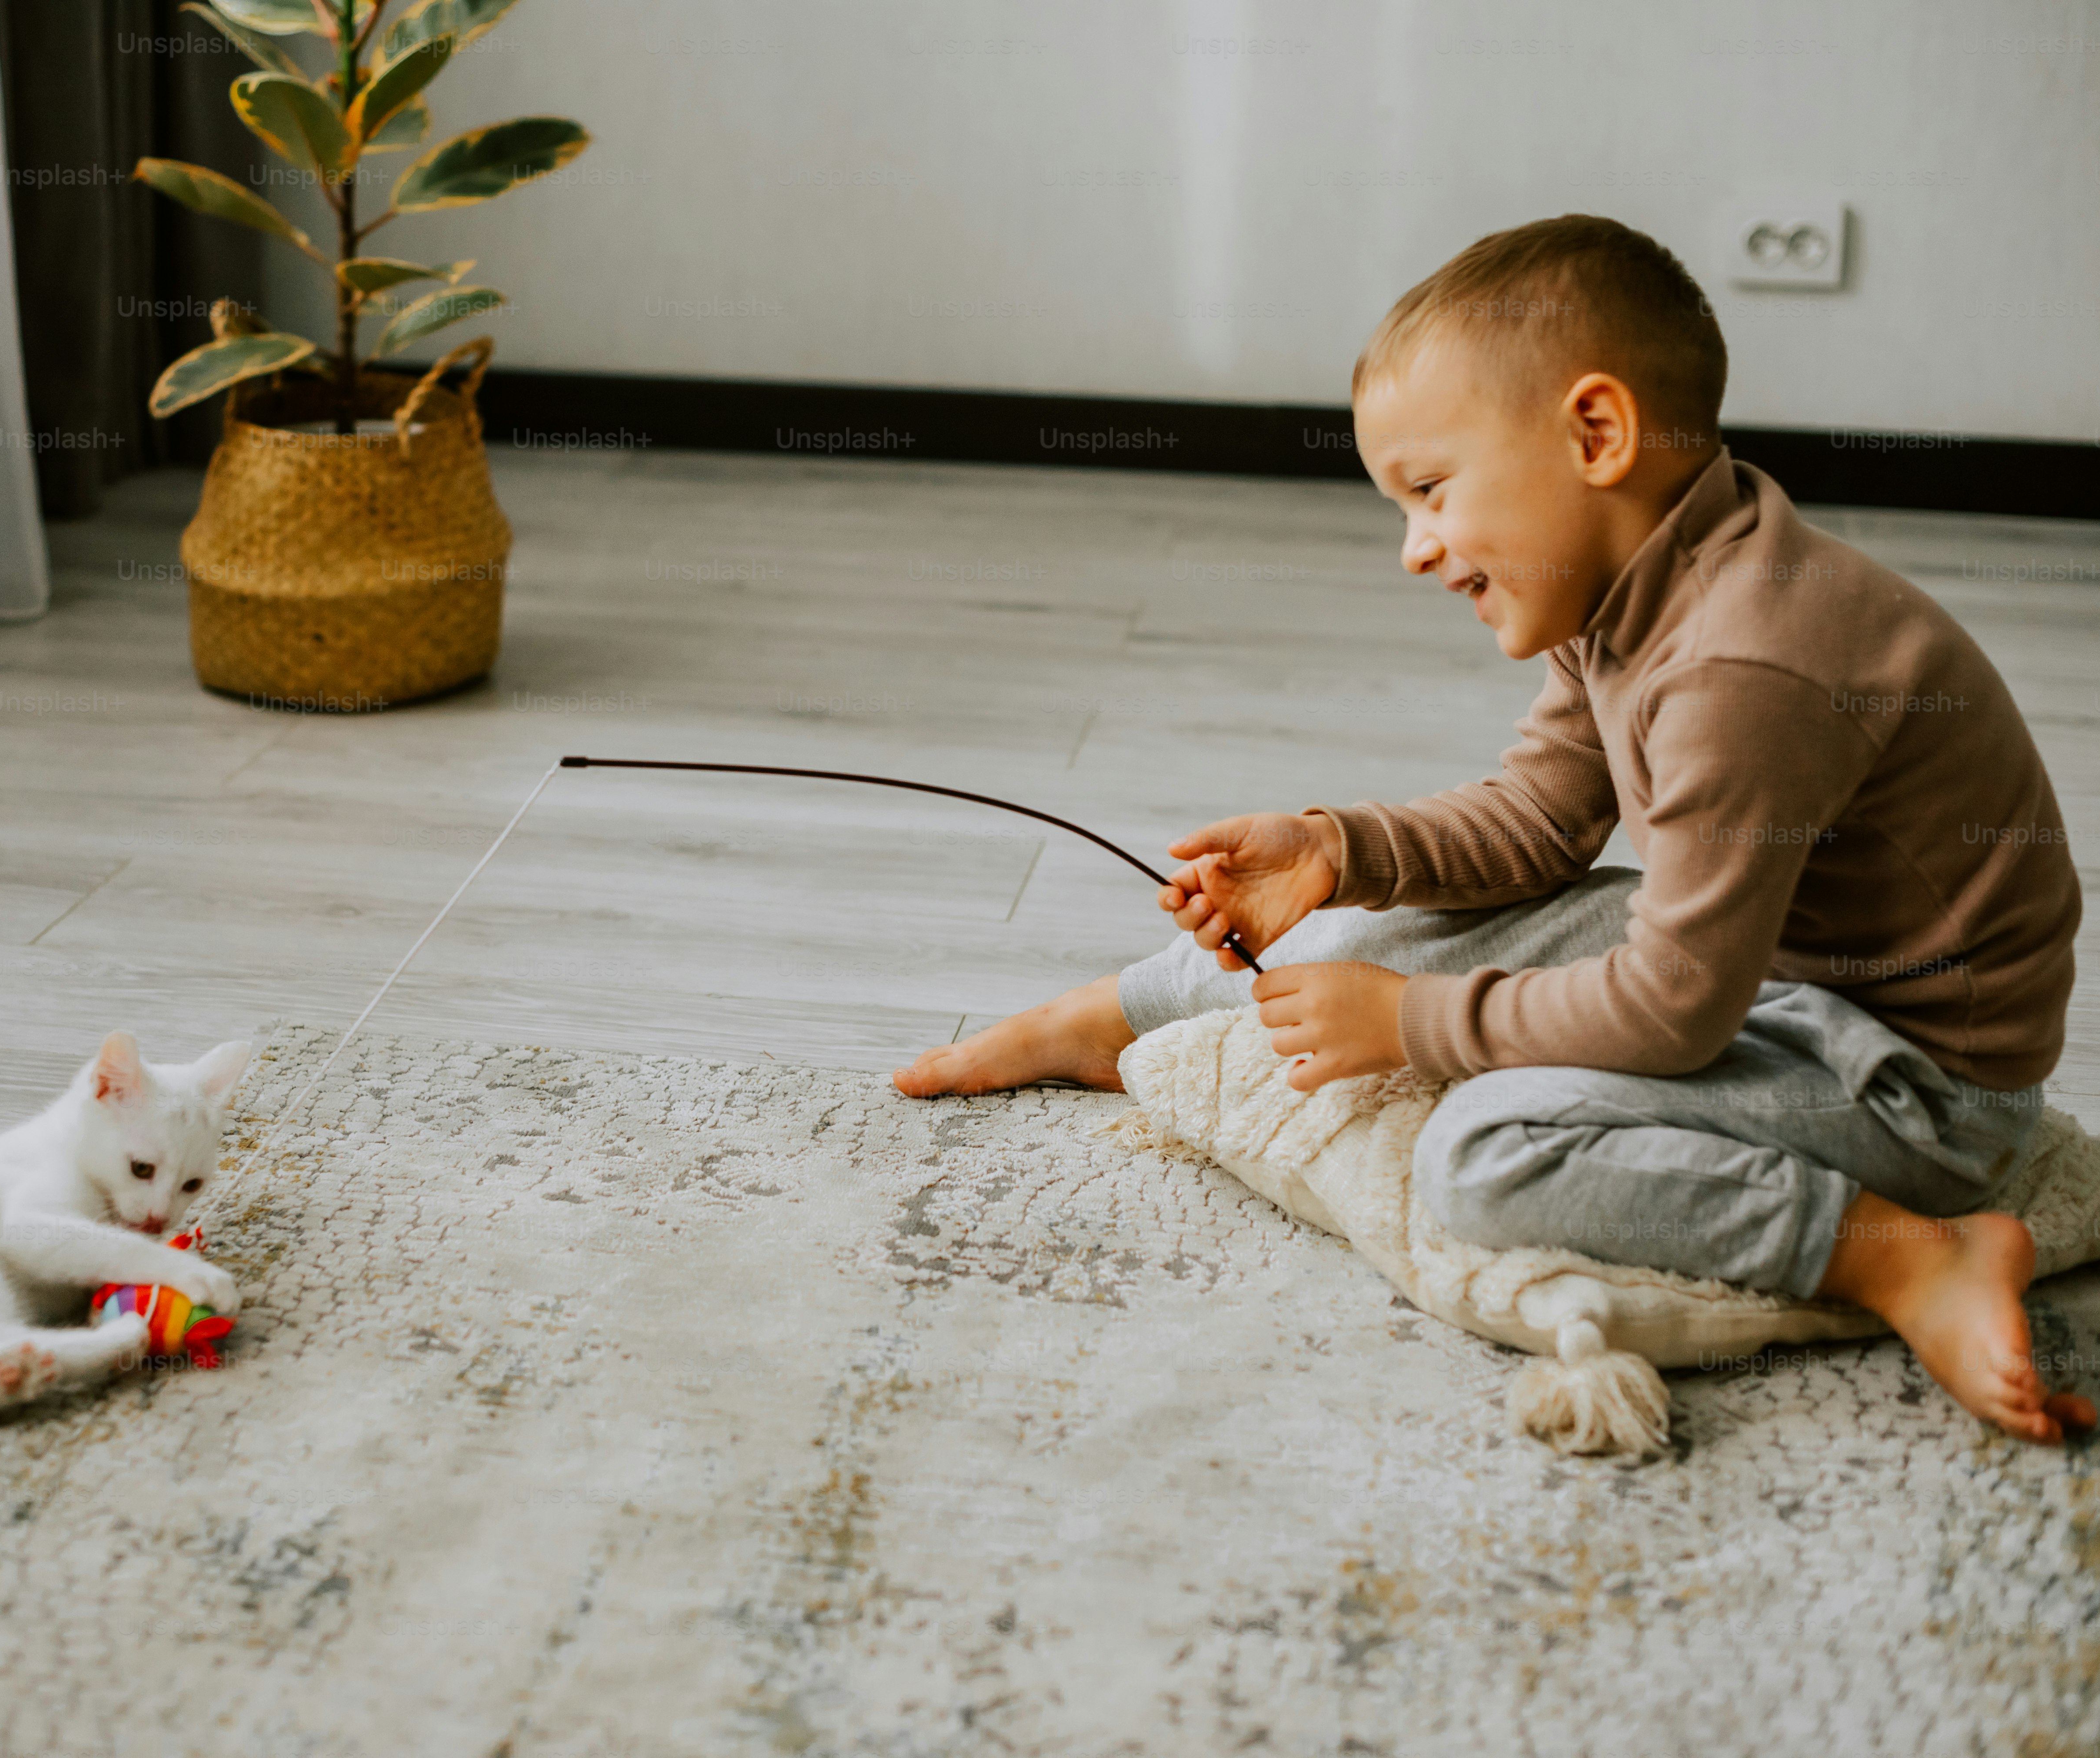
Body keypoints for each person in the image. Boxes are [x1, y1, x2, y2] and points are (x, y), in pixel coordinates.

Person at [894, 214, 2089, 1444]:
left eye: (1427, 490)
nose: (1414, 550)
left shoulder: (1745, 667)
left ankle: (1902, 1255)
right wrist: (1336, 850)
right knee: (1392, 925)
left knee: (1479, 1156)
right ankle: (1124, 1015)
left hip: (1909, 1086)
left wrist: (1410, 1025)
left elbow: (1676, 1014)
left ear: (1594, 435)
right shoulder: (1639, 584)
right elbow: (1533, 824)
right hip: (1776, 967)